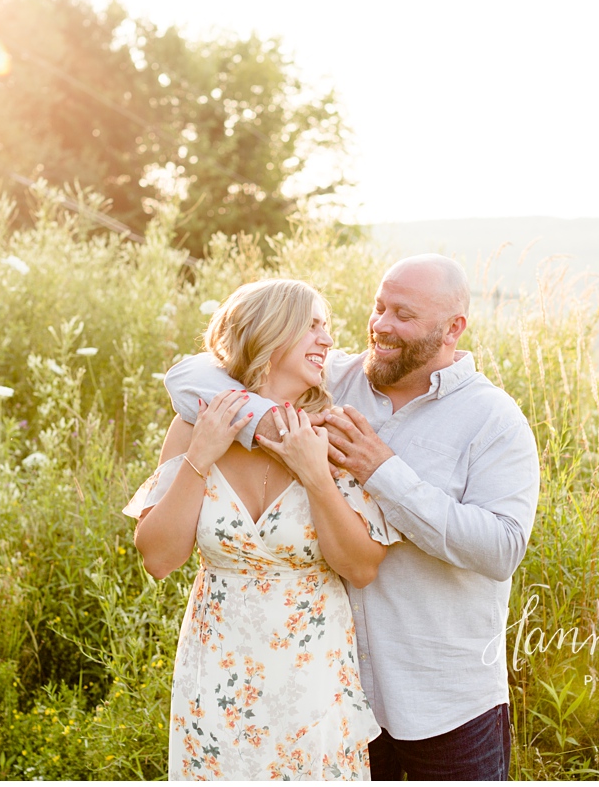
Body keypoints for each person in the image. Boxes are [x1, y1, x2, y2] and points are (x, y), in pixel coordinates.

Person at [164, 254, 540, 780]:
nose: (381, 326)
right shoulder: (332, 378)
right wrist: (272, 423)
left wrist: (383, 470)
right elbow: (192, 373)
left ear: (453, 328)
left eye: (403, 315)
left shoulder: (493, 419)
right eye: (379, 307)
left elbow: (501, 549)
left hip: (444, 700)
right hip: (331, 692)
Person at [125, 278, 401, 780]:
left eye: (328, 328)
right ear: (271, 332)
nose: (327, 340)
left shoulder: (333, 431)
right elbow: (158, 559)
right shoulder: (196, 423)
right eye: (312, 326)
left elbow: (361, 568)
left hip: (311, 678)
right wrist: (200, 459)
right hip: (216, 677)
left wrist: (315, 475)